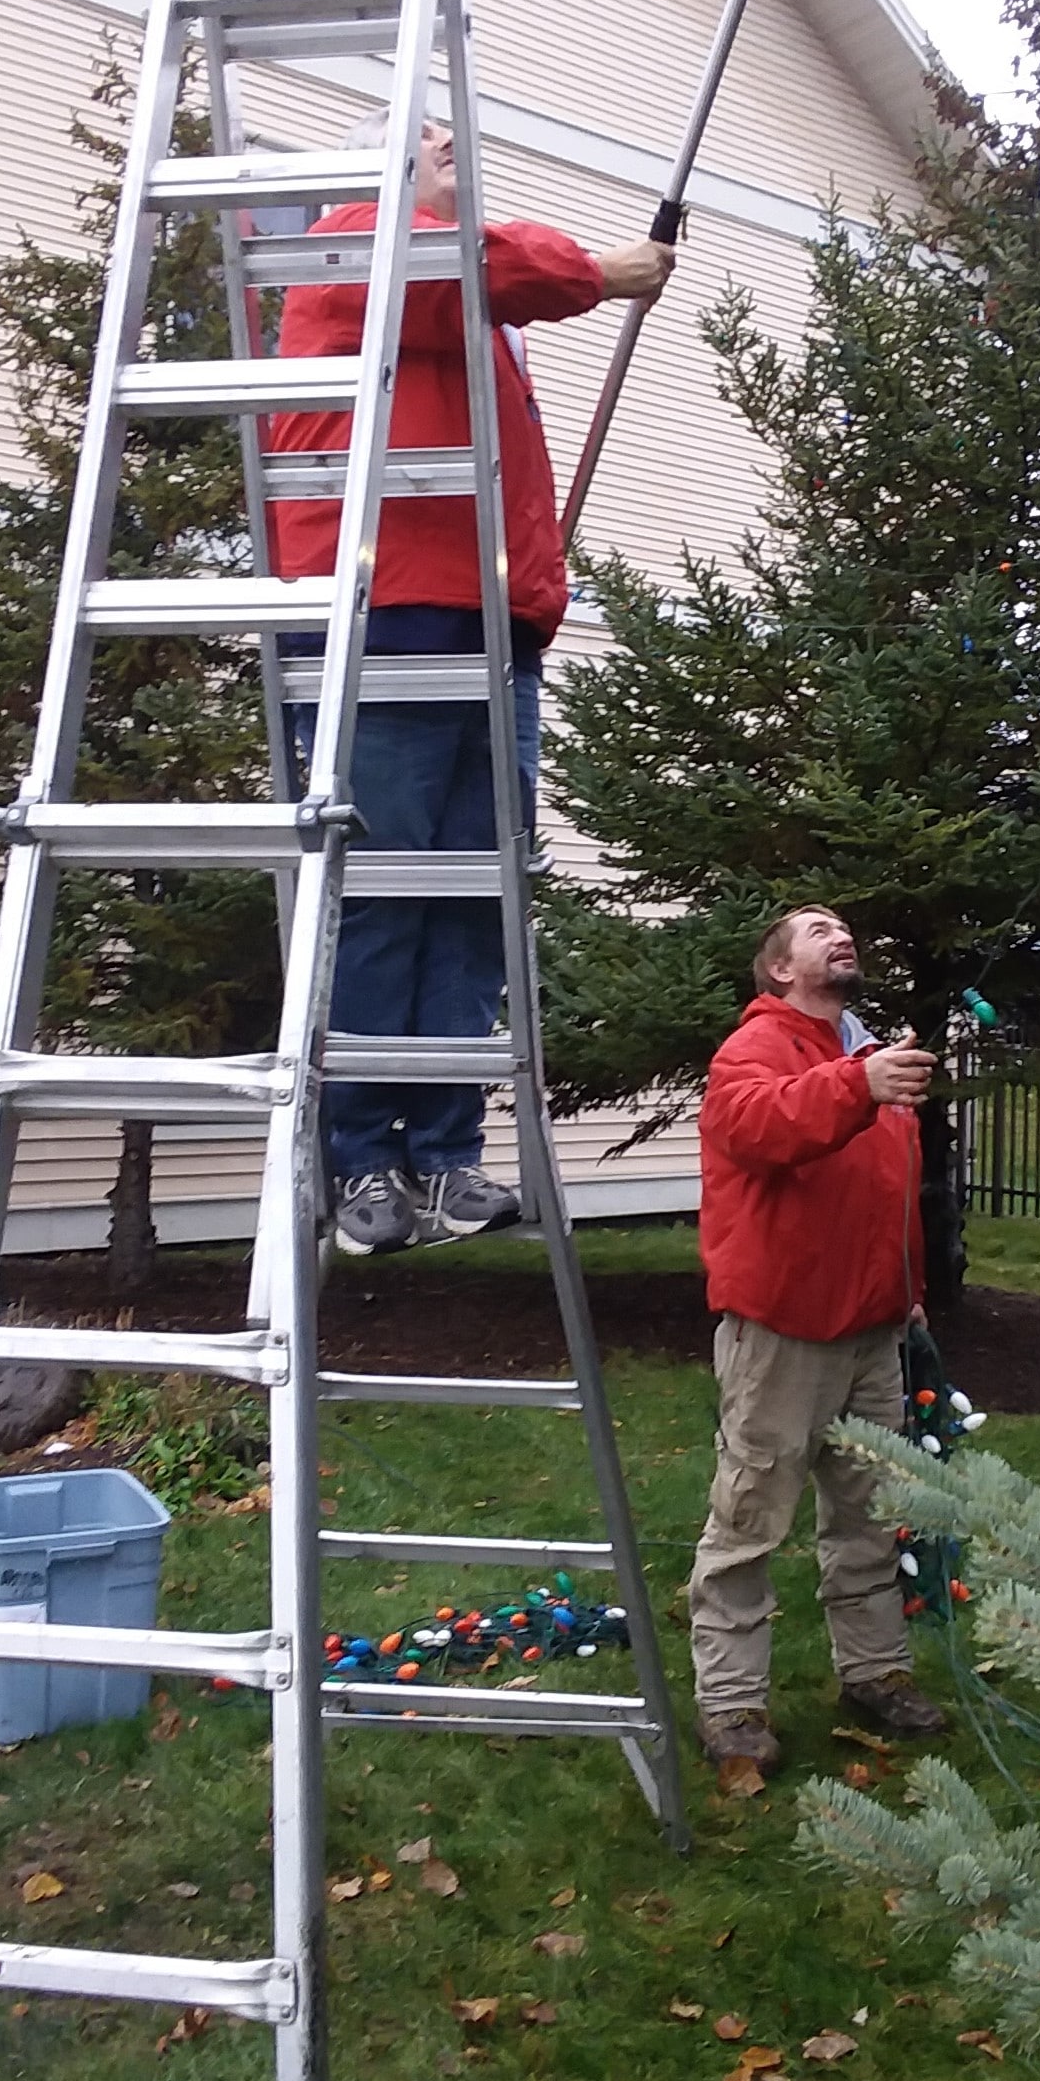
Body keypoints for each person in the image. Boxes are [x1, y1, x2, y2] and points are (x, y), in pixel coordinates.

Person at [267, 112, 674, 1256]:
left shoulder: (473, 316)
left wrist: (535, 592)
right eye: (429, 133)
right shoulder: (357, 250)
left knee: (470, 898)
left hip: (485, 624)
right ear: (384, 166)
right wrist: (598, 271)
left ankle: (440, 1157)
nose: (453, 139)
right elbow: (478, 268)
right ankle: (359, 1162)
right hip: (387, 610)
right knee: (387, 887)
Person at [687, 904, 949, 1775]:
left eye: (845, 928)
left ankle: (873, 1672)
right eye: (815, 929)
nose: (840, 935)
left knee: (872, 1518)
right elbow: (758, 1128)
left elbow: (888, 1192)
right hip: (782, 1336)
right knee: (750, 1521)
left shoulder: (862, 1059)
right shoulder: (754, 1050)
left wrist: (908, 1294)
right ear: (778, 970)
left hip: (874, 1331)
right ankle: (731, 1704)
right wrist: (857, 1086)